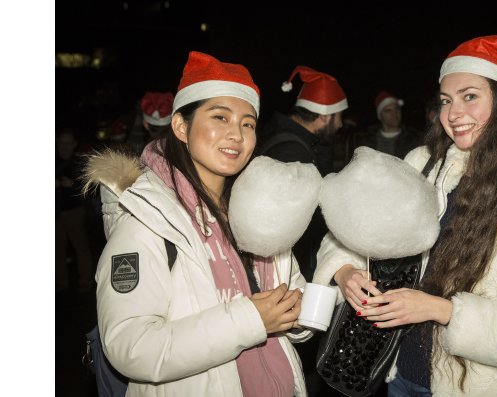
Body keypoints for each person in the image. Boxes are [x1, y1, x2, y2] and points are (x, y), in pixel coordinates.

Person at [313, 35, 497, 396]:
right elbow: (348, 233)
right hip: (399, 378)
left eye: (470, 96)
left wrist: (440, 310)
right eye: (446, 100)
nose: (453, 113)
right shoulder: (420, 166)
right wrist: (346, 269)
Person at [83, 51, 311, 396]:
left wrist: (303, 309)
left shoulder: (258, 212)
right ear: (181, 126)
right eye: (220, 117)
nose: (237, 134)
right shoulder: (147, 222)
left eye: (247, 123)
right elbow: (131, 347)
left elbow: (293, 306)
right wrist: (251, 320)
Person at [258, 65, 348, 396]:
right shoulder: (291, 152)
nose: (340, 125)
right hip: (287, 274)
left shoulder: (297, 142)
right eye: (338, 118)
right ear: (324, 116)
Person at [56, 127, 94, 294]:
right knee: (56, 249)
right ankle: (60, 282)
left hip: (74, 212)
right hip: (54, 212)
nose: (64, 146)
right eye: (61, 142)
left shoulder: (79, 162)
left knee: (80, 248)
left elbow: (89, 187)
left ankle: (85, 281)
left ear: (74, 145)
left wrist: (71, 185)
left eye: (68, 142)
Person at [355, 91, 421, 159]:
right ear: (380, 115)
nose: (394, 114)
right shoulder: (366, 141)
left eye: (397, 109)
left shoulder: (414, 139)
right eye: (388, 111)